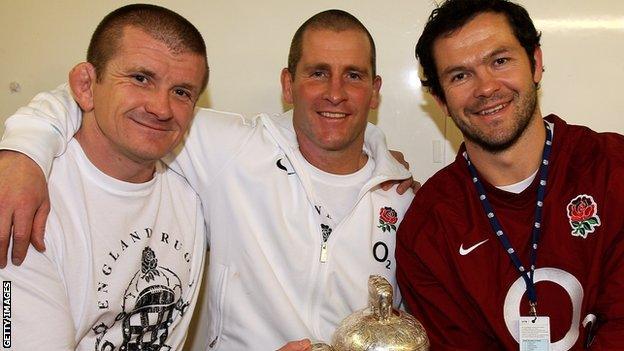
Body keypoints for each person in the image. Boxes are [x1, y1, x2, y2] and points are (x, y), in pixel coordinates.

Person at [0, 9, 415, 350]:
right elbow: (95, 98)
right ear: (288, 85)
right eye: (318, 73)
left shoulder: (404, 199)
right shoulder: (230, 147)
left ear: (375, 91)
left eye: (354, 76)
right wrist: (22, 151)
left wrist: (389, 168)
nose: (336, 93)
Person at [396, 0, 624, 349]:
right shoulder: (429, 227)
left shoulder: (613, 169)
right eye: (460, 75)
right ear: (440, 100)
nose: (486, 88)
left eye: (499, 61)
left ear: (535, 63)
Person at [0, 4, 210, 350]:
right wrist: (22, 149)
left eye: (182, 92)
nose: (161, 107)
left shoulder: (195, 185)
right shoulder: (26, 200)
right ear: (85, 86)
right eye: (141, 78)